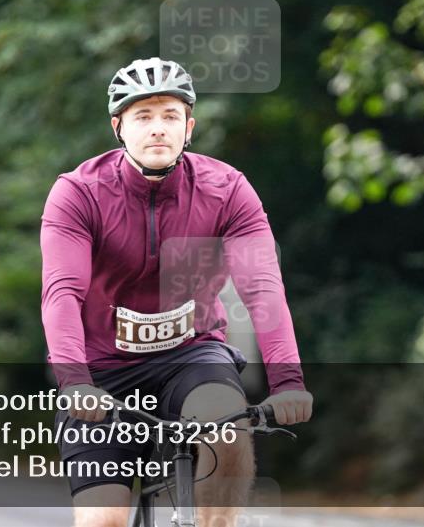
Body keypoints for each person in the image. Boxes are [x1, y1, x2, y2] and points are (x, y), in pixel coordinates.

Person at [41, 57, 314, 527]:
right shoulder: (77, 193)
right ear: (118, 127)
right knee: (101, 520)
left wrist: (288, 382)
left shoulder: (228, 191)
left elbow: (263, 291)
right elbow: (61, 293)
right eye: (142, 116)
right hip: (100, 371)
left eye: (170, 116)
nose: (157, 129)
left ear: (189, 127)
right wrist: (75, 382)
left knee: (227, 427)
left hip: (192, 357)